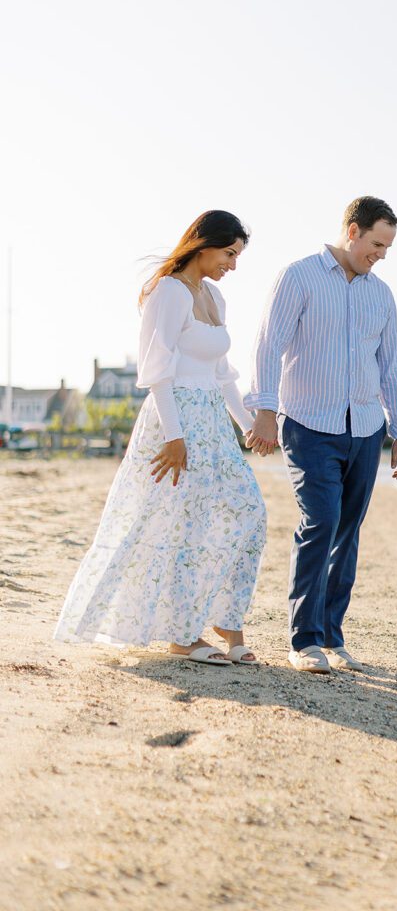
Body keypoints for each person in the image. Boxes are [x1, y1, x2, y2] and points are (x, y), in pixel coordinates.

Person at [54, 210, 267, 666]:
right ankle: (183, 636)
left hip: (213, 424)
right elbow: (157, 372)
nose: (233, 264)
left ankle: (226, 619)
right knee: (182, 528)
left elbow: (223, 375)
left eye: (237, 256)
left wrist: (246, 424)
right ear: (203, 245)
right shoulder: (167, 291)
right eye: (229, 253)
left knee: (249, 510)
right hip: (177, 420)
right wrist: (174, 436)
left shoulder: (213, 297)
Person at [244, 196, 397, 674]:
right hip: (307, 424)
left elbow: (393, 367)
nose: (381, 254)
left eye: (387, 247)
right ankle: (305, 640)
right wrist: (263, 410)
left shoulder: (381, 295)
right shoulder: (298, 276)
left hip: (365, 427)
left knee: (347, 531)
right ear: (353, 231)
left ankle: (333, 637)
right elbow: (268, 344)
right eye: (377, 243)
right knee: (320, 520)